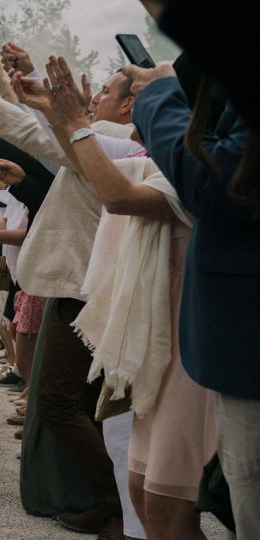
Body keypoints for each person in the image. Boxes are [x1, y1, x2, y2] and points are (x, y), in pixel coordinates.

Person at [0, 57, 139, 532]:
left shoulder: (122, 144)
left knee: (57, 401)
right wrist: (14, 88)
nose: (94, 94)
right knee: (84, 404)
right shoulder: (107, 136)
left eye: (105, 89)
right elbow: (36, 130)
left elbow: (33, 133)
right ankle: (106, 498)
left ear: (130, 106)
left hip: (85, 289)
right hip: (78, 285)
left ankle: (115, 502)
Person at [42, 55, 217, 540]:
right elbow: (86, 155)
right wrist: (65, 120)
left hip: (189, 353)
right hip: (156, 352)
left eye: (149, 90)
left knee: (165, 507)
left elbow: (116, 195)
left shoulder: (195, 165)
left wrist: (75, 122)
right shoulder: (156, 160)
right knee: (141, 493)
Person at [127, 59, 260, 539]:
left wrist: (162, 91)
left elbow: (214, 181)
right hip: (198, 340)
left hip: (226, 343)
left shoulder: (156, 158)